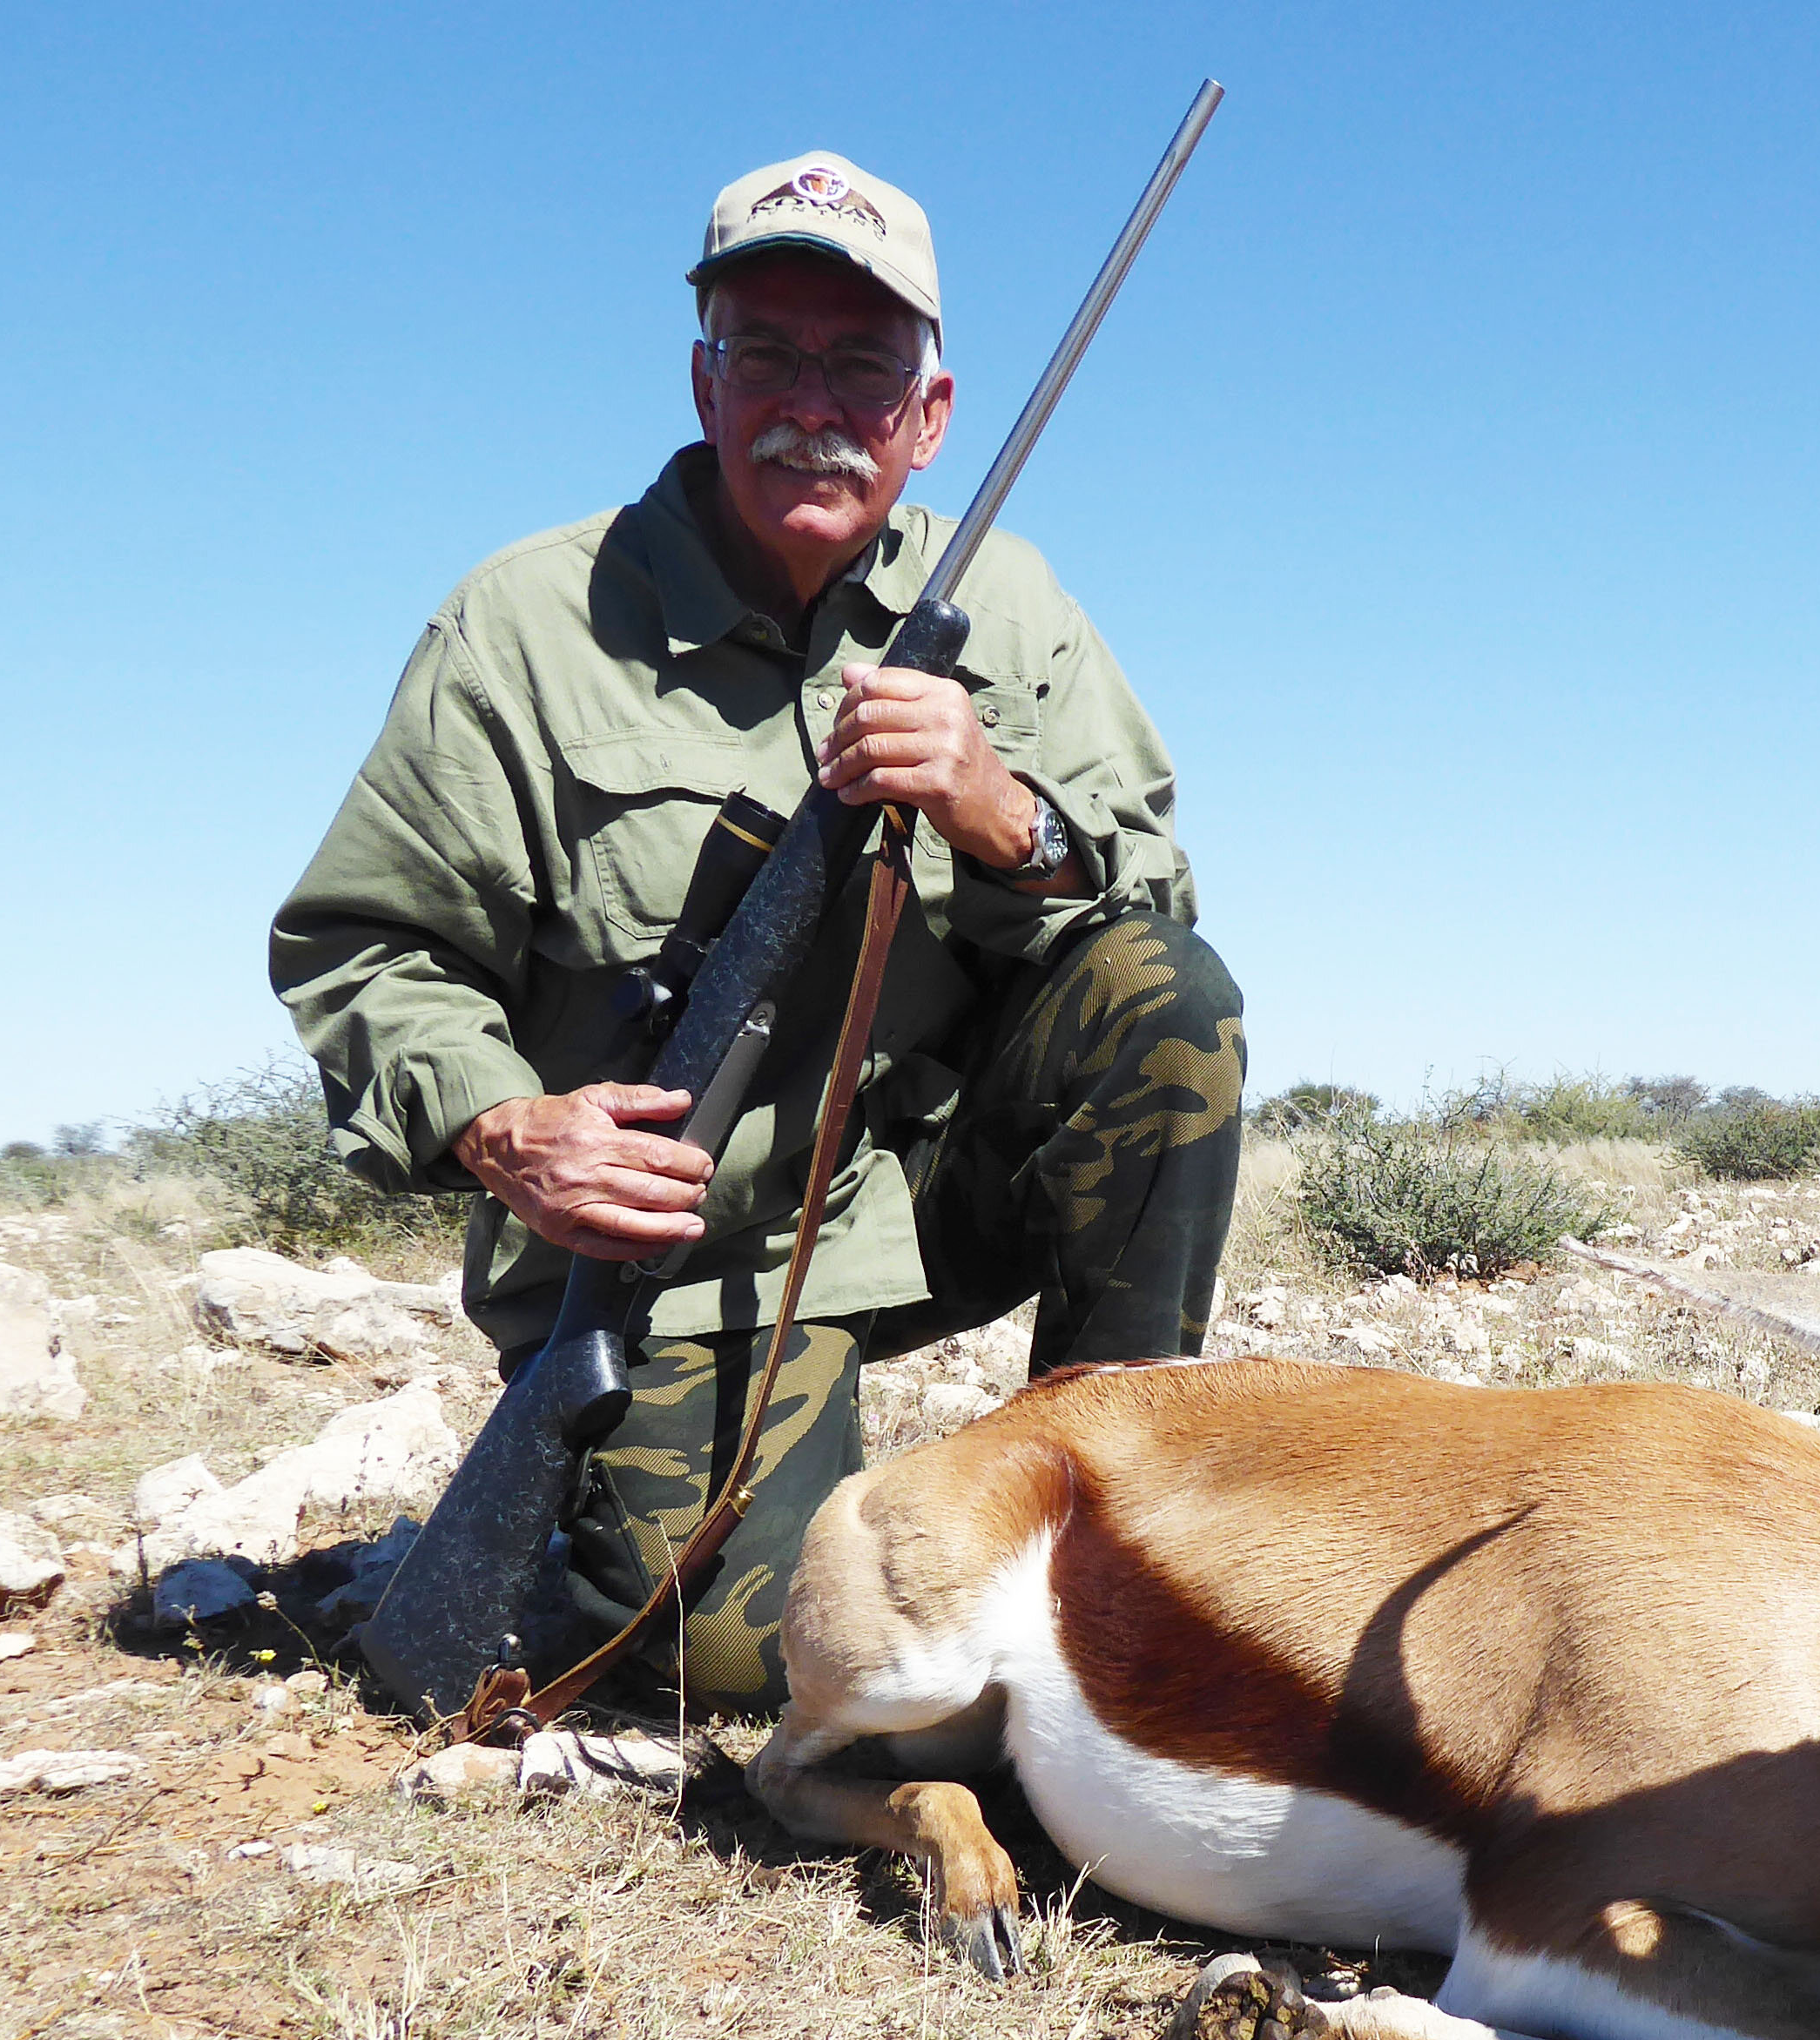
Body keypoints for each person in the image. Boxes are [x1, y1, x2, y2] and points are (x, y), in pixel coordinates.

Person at [274, 150, 1244, 1710]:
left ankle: (1112, 1537)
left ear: (929, 419)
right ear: (703, 381)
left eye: (864, 365)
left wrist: (1006, 815)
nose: (816, 403)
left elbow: (1153, 906)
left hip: (915, 1192)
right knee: (733, 1664)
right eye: (769, 353)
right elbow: (362, 951)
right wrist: (507, 1124)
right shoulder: (521, 621)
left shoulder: (1019, 609)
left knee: (1165, 996)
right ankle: (520, 1546)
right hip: (677, 1249)